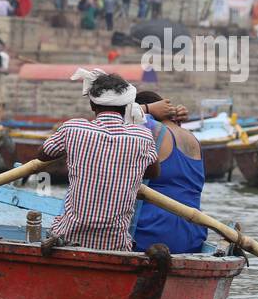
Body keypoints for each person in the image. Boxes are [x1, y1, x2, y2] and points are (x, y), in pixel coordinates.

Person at [34, 70, 175, 256]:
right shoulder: (142, 135)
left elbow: (43, 155)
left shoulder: (73, 128)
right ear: (127, 106)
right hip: (115, 245)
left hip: (66, 237)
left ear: (92, 104)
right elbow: (153, 173)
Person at [132, 90, 208, 255]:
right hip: (192, 237)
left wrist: (146, 109)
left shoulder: (153, 131)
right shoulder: (192, 137)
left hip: (151, 234)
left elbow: (117, 120)